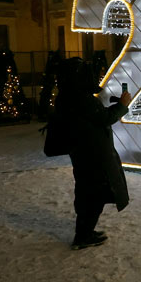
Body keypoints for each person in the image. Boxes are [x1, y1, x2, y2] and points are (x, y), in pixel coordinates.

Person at [54, 58, 131, 249]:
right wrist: (122, 105)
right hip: (93, 155)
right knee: (94, 195)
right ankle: (83, 236)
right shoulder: (82, 98)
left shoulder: (67, 96)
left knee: (87, 192)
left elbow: (96, 117)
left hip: (81, 153)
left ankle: (85, 232)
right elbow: (105, 118)